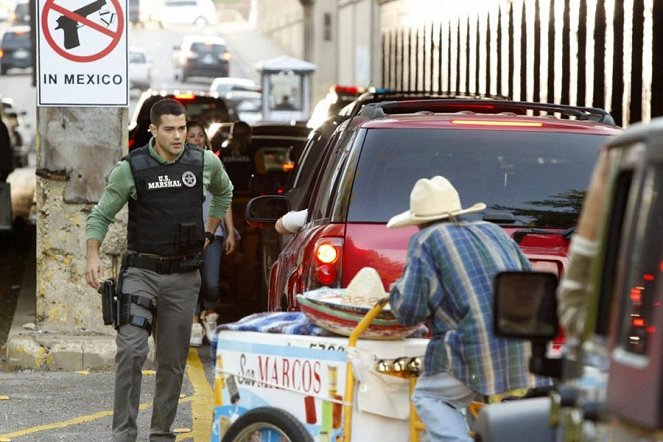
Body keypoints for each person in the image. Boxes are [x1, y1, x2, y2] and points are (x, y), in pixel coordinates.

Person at [85, 98, 233, 442]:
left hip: (183, 276)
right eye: (170, 129)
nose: (179, 136)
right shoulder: (132, 168)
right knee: (132, 350)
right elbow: (101, 215)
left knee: (171, 362)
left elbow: (224, 193)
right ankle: (123, 434)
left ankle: (161, 433)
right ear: (153, 130)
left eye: (182, 128)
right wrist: (93, 256)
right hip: (141, 271)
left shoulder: (203, 163)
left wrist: (210, 232)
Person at [387, 176, 550, 442]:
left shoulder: (427, 240)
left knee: (429, 397)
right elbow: (528, 281)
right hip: (526, 341)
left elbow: (409, 312)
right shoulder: (494, 231)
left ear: (418, 221)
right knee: (473, 404)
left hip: (476, 348)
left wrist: (395, 291)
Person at [185, 120, 237, 345]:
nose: (196, 139)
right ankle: (194, 323)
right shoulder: (179, 163)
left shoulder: (214, 163)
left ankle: (209, 313)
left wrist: (231, 232)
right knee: (190, 279)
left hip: (213, 231)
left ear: (206, 138)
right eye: (191, 136)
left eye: (199, 135)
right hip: (187, 232)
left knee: (212, 282)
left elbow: (224, 198)